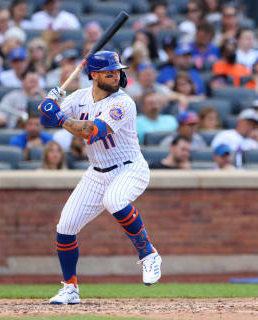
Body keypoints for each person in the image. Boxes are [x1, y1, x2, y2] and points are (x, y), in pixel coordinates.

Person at [38, 51, 162, 304]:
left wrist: (58, 114)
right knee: (65, 227)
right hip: (96, 172)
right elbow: (45, 120)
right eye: (109, 72)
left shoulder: (123, 103)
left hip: (129, 168)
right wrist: (49, 103)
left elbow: (92, 133)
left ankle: (149, 254)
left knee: (115, 200)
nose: (116, 76)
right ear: (94, 75)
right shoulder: (80, 97)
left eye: (117, 71)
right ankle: (70, 288)